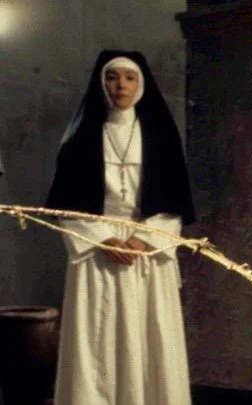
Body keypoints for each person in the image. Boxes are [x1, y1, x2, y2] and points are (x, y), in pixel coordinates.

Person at [46, 50, 195, 405]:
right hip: (97, 252)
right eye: (112, 78)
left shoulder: (161, 137)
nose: (120, 86)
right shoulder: (80, 138)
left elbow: (175, 202)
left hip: (147, 253)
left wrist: (143, 239)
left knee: (150, 338)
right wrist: (104, 238)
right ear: (101, 83)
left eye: (129, 78)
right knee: (97, 342)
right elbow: (65, 205)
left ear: (141, 84)